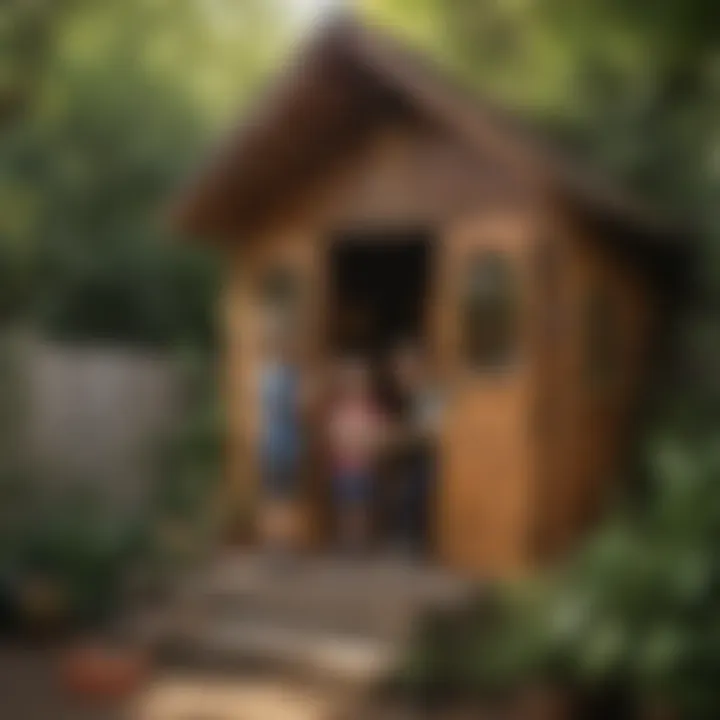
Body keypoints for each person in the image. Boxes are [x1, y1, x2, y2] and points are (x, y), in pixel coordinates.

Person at [326, 359, 387, 554]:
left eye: (359, 384)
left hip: (365, 465)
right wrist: (344, 445)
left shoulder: (371, 409)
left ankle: (360, 541)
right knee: (345, 505)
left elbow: (379, 434)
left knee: (362, 506)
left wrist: (368, 446)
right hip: (343, 465)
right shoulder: (339, 410)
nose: (355, 388)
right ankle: (348, 541)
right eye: (350, 384)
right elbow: (333, 434)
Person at [390, 342, 444, 556]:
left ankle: (417, 543)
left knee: (415, 489)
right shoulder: (408, 397)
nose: (400, 377)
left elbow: (430, 432)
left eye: (404, 370)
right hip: (412, 456)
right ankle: (407, 540)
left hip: (431, 457)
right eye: (398, 371)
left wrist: (399, 436)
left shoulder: (430, 394)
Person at [258, 316, 305, 562]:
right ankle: (277, 545)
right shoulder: (276, 376)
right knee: (279, 495)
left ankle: (280, 544)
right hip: (279, 443)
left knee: (282, 495)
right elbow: (292, 407)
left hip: (283, 442)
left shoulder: (275, 374)